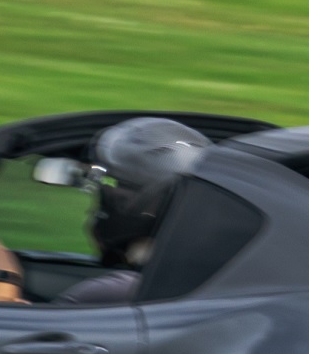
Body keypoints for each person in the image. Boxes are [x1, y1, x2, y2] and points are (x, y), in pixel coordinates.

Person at [55, 116, 212, 305]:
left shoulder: (111, 294)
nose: (95, 209)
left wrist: (9, 279)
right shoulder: (212, 277)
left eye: (115, 187)